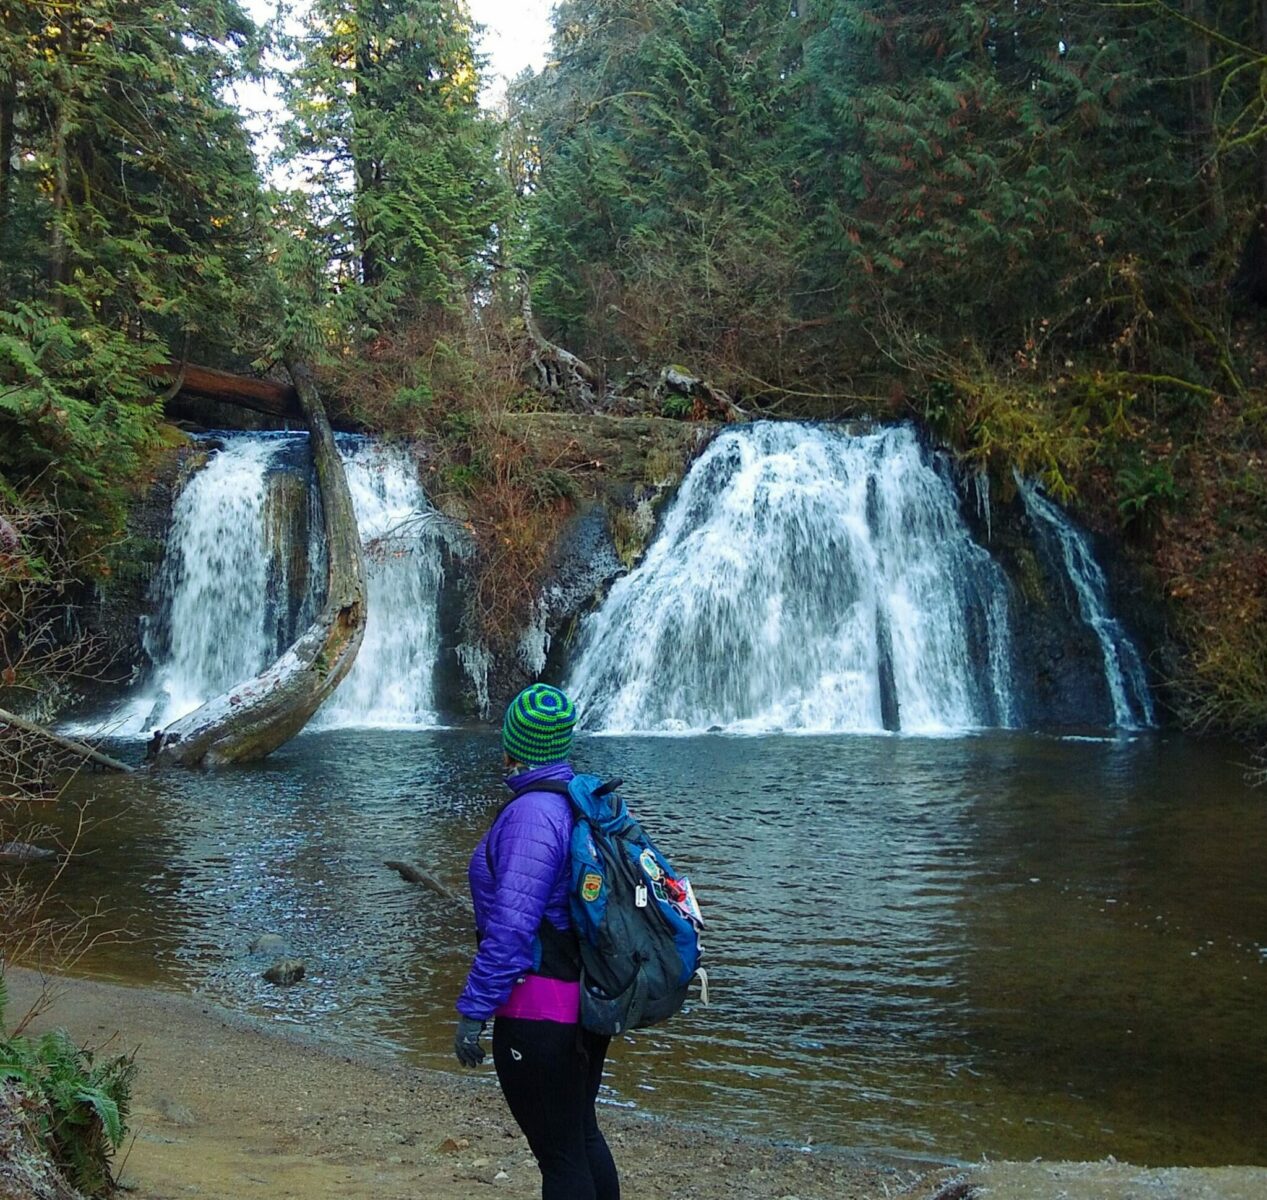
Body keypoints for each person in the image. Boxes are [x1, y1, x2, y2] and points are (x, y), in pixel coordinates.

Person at [453, 683, 619, 1200]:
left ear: (513, 744)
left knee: (561, 1157)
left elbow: (510, 931)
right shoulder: (580, 802)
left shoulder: (531, 816)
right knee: (579, 1136)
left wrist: (473, 1011)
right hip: (583, 1009)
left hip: (539, 1015)